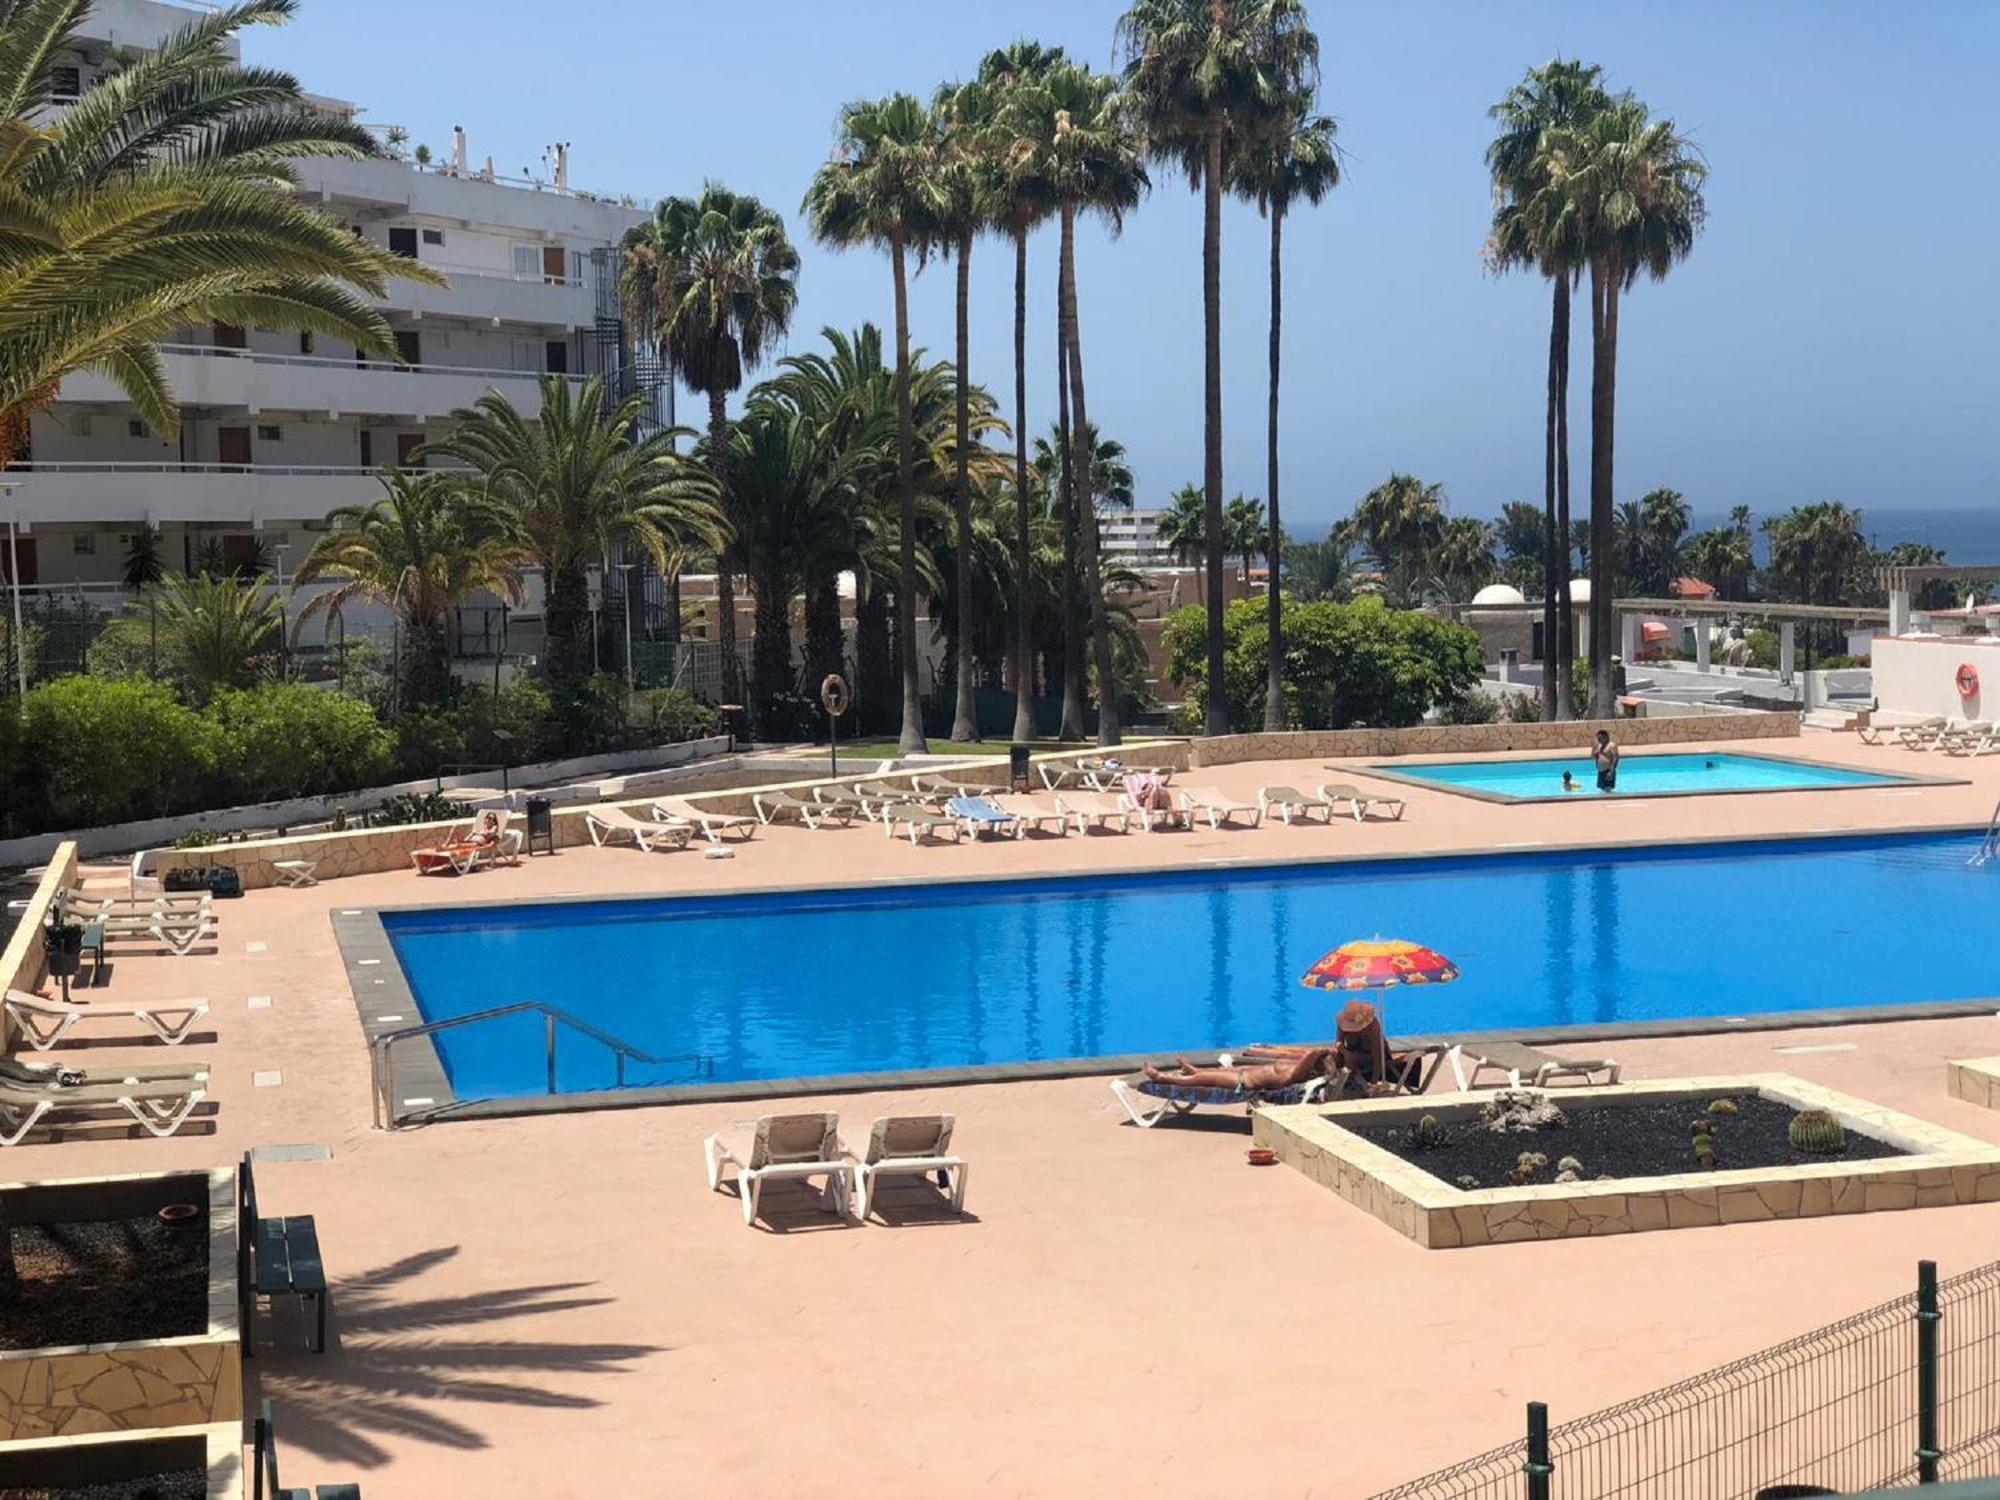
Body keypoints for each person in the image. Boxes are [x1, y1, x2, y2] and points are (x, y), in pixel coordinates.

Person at [1144, 1045, 1334, 1094]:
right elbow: (1309, 1056)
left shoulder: (1297, 1074)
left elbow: (1311, 1054)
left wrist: (1321, 1051)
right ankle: (1191, 1069)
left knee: (1201, 1079)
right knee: (1211, 1072)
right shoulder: (1297, 1067)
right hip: (1243, 1073)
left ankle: (1162, 1078)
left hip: (1244, 1083)